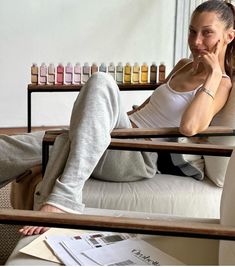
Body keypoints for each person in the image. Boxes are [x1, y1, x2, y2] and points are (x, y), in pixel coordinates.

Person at [0, 0, 235, 236]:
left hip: (137, 154)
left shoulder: (221, 84)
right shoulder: (183, 65)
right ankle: (86, 140)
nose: (196, 42)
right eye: (192, 31)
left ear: (228, 36)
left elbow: (190, 126)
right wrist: (93, 123)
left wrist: (214, 73)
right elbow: (147, 107)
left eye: (207, 33)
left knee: (101, 80)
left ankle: (65, 197)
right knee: (17, 145)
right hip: (114, 135)